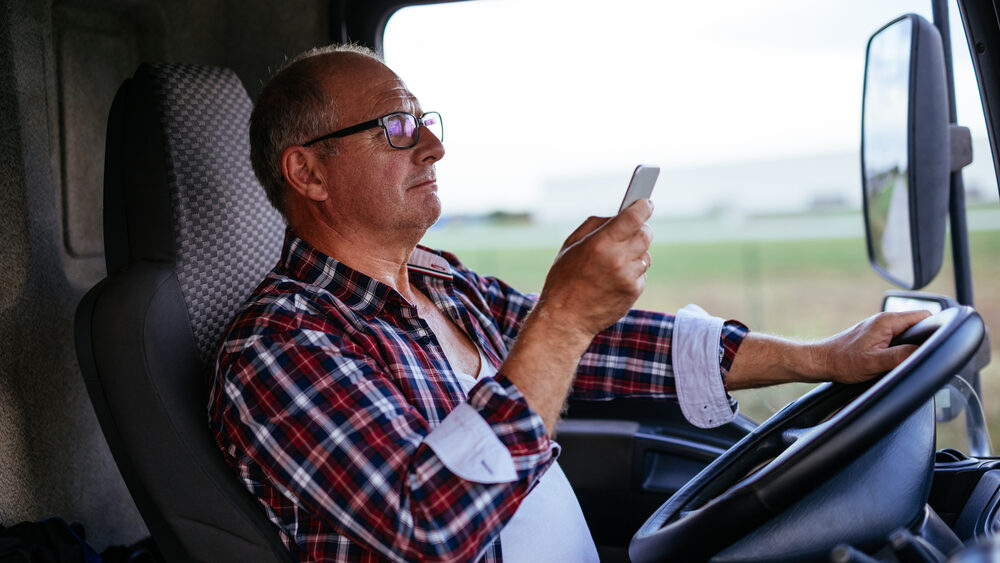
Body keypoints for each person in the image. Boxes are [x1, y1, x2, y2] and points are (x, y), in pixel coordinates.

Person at [208, 44, 929, 562]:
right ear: (308, 171)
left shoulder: (439, 281)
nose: (431, 146)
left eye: (426, 121)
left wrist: (824, 354)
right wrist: (563, 314)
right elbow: (431, 527)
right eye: (397, 127)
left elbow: (606, 346)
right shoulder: (277, 346)